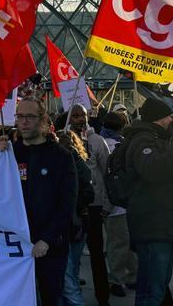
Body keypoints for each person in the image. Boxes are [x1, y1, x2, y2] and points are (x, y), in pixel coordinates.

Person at [0, 97, 77, 306]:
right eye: (19, 116)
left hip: (50, 247)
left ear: (42, 120)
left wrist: (47, 239)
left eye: (29, 117)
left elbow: (66, 204)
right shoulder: (9, 153)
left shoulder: (61, 156)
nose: (23, 122)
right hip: (16, 244)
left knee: (51, 297)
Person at [123, 98, 173, 306]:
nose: (172, 120)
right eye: (169, 116)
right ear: (161, 118)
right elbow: (155, 171)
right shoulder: (143, 140)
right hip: (154, 225)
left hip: (160, 223)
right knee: (152, 289)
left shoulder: (153, 138)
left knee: (156, 284)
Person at [66, 103, 112, 306]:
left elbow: (107, 173)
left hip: (94, 206)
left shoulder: (97, 140)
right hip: (72, 207)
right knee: (71, 256)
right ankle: (71, 294)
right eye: (74, 116)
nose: (79, 119)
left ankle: (103, 296)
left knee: (97, 255)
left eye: (81, 115)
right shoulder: (62, 141)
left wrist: (106, 205)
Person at [100, 111, 137, 298]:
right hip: (118, 203)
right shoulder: (116, 144)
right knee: (119, 244)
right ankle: (116, 279)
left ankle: (130, 275)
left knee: (123, 243)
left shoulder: (103, 141)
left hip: (116, 202)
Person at [57, 130, 94, 306]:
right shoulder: (78, 163)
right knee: (71, 273)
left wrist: (70, 205)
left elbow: (88, 193)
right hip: (74, 225)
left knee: (68, 277)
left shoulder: (75, 163)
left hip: (73, 225)